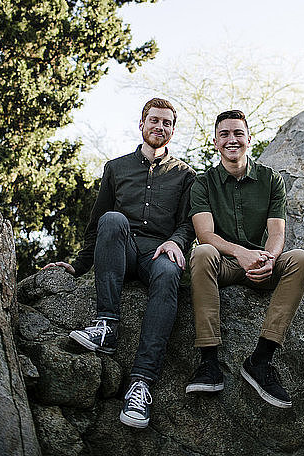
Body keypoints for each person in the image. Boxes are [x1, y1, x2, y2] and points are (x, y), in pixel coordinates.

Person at [44, 98, 195, 428]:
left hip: (157, 254)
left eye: (167, 122)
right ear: (141, 124)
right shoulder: (116, 167)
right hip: (121, 250)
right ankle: (107, 326)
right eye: (154, 120)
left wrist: (176, 241)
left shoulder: (186, 174)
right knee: (112, 219)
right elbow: (97, 221)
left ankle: (140, 383)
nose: (160, 126)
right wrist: (77, 265)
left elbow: (187, 223)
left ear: (172, 130)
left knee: (170, 273)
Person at [185, 110, 304, 408]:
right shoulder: (203, 184)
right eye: (225, 134)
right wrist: (241, 254)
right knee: (201, 253)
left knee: (302, 259)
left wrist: (269, 258)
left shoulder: (271, 180)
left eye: (238, 133)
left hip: (262, 262)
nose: (232, 140)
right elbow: (205, 235)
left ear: (249, 139)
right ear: (215, 142)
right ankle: (209, 361)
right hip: (227, 263)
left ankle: (261, 359)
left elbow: (277, 232)